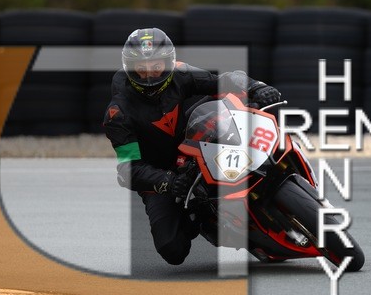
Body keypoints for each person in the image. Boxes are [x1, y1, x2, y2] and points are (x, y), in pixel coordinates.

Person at [103, 27, 281, 265]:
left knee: (236, 101)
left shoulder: (180, 73)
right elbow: (128, 169)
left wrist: (255, 86)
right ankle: (203, 218)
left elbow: (223, 80)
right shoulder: (118, 113)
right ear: (129, 68)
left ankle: (272, 161)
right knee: (172, 249)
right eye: (141, 68)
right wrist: (168, 181)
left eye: (156, 66)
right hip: (160, 173)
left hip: (195, 147)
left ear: (168, 62)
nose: (150, 75)